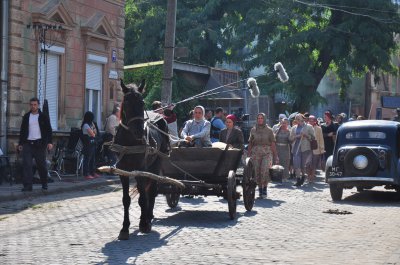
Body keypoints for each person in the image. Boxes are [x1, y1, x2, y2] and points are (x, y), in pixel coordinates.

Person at [18, 97, 53, 191]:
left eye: (35, 105)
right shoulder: (26, 116)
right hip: (28, 143)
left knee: (41, 165)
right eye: (31, 105)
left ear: (38, 105)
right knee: (27, 165)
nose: (33, 106)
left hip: (40, 144)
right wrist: (20, 143)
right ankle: (28, 186)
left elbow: (49, 130)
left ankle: (44, 183)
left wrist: (50, 142)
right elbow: (23, 130)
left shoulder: (43, 116)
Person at [248, 113, 278, 198]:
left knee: (264, 170)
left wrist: (276, 156)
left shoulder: (269, 130)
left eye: (261, 118)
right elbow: (250, 142)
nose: (260, 120)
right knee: (257, 171)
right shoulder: (253, 130)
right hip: (256, 152)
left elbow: (272, 143)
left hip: (267, 152)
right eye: (258, 118)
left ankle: (265, 188)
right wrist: (248, 154)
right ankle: (260, 189)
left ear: (264, 119)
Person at [289, 113, 315, 187]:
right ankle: (298, 179)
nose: (297, 120)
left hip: (305, 148)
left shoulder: (309, 127)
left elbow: (313, 137)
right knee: (297, 165)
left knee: (302, 165)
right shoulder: (294, 128)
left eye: (299, 118)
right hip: (296, 148)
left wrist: (306, 135)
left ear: (302, 118)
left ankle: (303, 177)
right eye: (296, 118)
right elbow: (290, 138)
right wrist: (296, 136)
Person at [81, 111, 99, 180]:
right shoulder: (85, 125)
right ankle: (86, 173)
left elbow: (95, 132)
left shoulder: (90, 124)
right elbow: (93, 134)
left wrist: (94, 127)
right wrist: (93, 132)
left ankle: (92, 172)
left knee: (92, 159)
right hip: (87, 143)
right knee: (87, 159)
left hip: (92, 143)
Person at [307, 115, 325, 184]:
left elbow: (321, 139)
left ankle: (312, 177)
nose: (311, 122)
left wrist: (322, 149)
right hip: (307, 148)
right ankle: (308, 176)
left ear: (315, 121)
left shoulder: (319, 128)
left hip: (316, 148)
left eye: (313, 120)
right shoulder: (306, 127)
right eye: (310, 120)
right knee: (307, 164)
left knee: (314, 164)